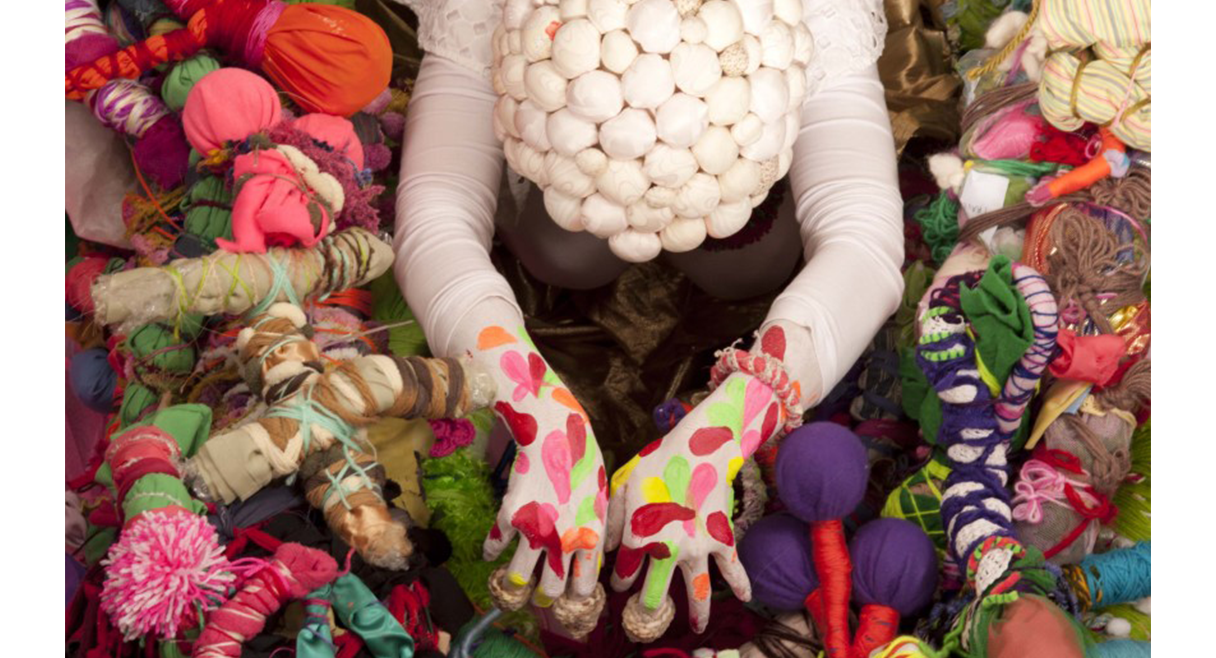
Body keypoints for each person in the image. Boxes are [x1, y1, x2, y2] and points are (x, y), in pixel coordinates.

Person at [393, 0, 904, 633]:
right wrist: (536, 405)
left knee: (748, 261)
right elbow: (436, 210)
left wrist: (726, 428)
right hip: (561, 230)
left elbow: (864, 238)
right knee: (565, 250)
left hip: (744, 233)